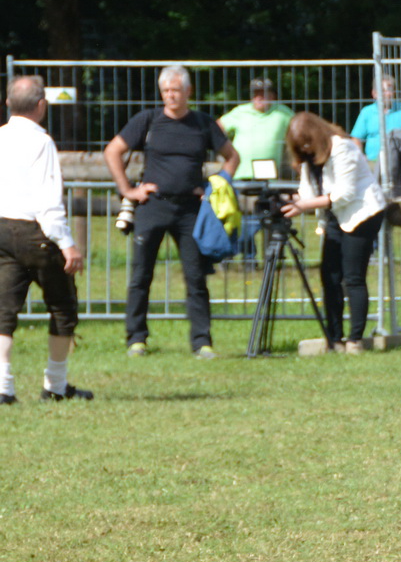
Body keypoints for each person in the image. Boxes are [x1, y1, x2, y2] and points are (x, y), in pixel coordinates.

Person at [104, 64, 241, 359]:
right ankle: (136, 339)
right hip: (152, 206)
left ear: (188, 92)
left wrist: (216, 186)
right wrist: (128, 190)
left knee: (196, 276)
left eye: (176, 90)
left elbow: (232, 157)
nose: (170, 96)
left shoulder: (203, 123)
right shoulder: (147, 120)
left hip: (191, 210)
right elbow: (112, 150)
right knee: (141, 274)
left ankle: (202, 342)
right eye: (166, 90)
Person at [0, 76, 89, 403]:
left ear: (9, 103)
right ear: (41, 105)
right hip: (36, 232)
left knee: (3, 311)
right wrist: (66, 243)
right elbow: (48, 201)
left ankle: (3, 386)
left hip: (2, 230)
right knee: (63, 307)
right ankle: (55, 384)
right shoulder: (42, 142)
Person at [281, 113, 387, 353]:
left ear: (317, 135)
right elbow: (307, 193)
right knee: (329, 276)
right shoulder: (307, 157)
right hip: (335, 215)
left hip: (362, 213)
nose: (306, 149)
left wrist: (303, 206)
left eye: (308, 143)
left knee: (353, 277)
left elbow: (345, 193)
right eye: (300, 146)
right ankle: (334, 339)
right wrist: (290, 200)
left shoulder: (343, 148)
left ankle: (354, 340)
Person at [217, 78, 294, 263]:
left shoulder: (283, 113)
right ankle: (244, 258)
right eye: (256, 94)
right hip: (240, 175)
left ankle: (270, 257)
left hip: (268, 178)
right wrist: (223, 151)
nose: (259, 98)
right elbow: (217, 127)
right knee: (238, 218)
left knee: (265, 216)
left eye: (264, 94)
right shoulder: (240, 112)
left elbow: (298, 130)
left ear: (273, 96)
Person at [350, 75, 401, 163]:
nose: (388, 94)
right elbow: (356, 137)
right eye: (383, 90)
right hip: (373, 162)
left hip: (400, 163)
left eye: (390, 90)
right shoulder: (366, 112)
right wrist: (361, 158)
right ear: (374, 94)